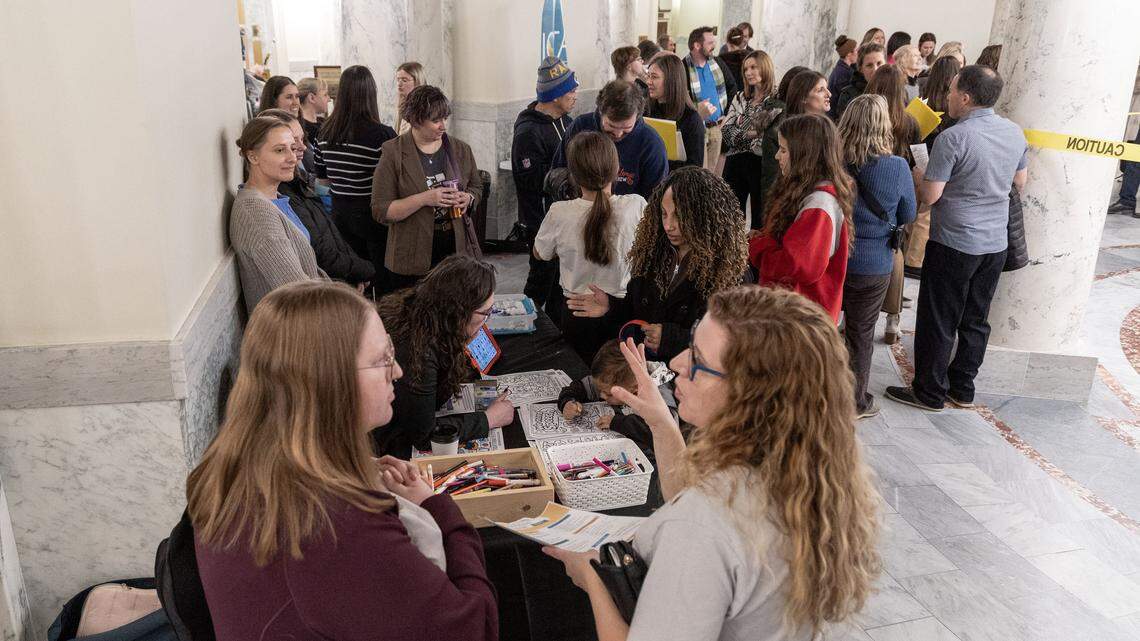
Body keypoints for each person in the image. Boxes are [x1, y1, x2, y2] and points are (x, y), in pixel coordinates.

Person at [545, 286, 881, 641]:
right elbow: (687, 492)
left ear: (747, 394)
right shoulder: (796, 472)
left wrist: (593, 580)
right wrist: (661, 422)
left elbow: (697, 517)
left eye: (699, 360)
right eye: (690, 345)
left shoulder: (703, 524)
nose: (676, 364)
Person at [189, 281, 498, 641]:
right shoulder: (338, 526)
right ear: (329, 381)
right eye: (381, 359)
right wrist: (437, 509)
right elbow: (473, 627)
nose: (397, 371)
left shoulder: (235, 468)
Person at [886, 65, 1029, 412]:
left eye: (951, 91)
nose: (947, 96)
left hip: (955, 241)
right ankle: (963, 388)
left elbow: (931, 195)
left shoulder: (954, 137)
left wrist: (919, 169)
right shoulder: (1014, 133)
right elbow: (1020, 182)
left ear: (965, 98)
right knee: (976, 317)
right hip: (995, 243)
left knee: (939, 317)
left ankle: (929, 391)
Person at [566, 167, 747, 362]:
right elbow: (635, 309)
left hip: (691, 380)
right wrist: (611, 306)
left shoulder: (730, 270)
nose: (669, 225)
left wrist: (672, 339)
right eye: (664, 214)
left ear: (705, 216)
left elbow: (731, 341)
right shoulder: (653, 253)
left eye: (679, 216)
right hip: (648, 369)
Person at [374, 256, 515, 459]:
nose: (486, 321)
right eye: (485, 312)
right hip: (388, 442)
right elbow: (424, 435)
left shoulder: (421, 313)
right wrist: (488, 419)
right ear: (459, 312)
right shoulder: (418, 349)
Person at [534, 132, 646, 362]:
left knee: (578, 375)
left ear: (573, 175)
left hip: (576, 311)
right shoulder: (635, 206)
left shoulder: (560, 212)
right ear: (616, 170)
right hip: (620, 310)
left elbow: (540, 253)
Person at [838, 95, 917, 418]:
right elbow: (908, 212)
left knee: (823, 328)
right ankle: (855, 401)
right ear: (883, 126)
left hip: (834, 258)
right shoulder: (897, 166)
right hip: (874, 264)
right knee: (860, 334)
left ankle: (816, 393)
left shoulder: (832, 162)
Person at [373, 85, 482, 290]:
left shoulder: (460, 149)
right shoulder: (393, 153)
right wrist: (425, 199)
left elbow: (476, 186)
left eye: (445, 118)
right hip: (411, 251)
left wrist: (468, 198)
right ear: (415, 120)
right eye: (436, 120)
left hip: (454, 246)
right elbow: (381, 210)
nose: (443, 126)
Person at [750, 114, 854, 322]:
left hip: (801, 320)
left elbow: (798, 266)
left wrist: (757, 246)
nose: (777, 156)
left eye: (784, 150)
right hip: (792, 313)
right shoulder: (803, 191)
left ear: (805, 155)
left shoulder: (819, 204)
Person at [262, 109, 376, 288]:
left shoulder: (297, 181)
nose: (303, 147)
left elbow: (330, 234)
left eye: (301, 138)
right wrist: (365, 270)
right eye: (291, 143)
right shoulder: (282, 194)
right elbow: (321, 252)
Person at [314, 65, 398, 295]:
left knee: (354, 280)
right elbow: (394, 179)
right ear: (371, 95)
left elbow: (323, 179)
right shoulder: (382, 135)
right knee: (382, 278)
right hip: (373, 215)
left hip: (340, 213)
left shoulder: (325, 132)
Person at [231, 116, 325, 314]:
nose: (292, 158)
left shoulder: (275, 199)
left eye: (292, 148)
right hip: (290, 334)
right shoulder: (256, 211)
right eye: (280, 150)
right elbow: (296, 290)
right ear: (252, 157)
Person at [514, 56, 580, 311]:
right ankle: (527, 324)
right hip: (541, 220)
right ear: (555, 95)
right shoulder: (529, 132)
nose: (575, 93)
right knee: (540, 280)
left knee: (558, 283)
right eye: (571, 89)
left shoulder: (566, 120)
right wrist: (572, 175)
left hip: (565, 218)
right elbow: (530, 181)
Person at [865, 64, 921, 344]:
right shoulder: (909, 122)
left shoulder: (864, 115)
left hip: (868, 182)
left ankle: (859, 317)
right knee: (896, 249)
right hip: (899, 186)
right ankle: (893, 321)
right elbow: (917, 161)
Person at [557, 338, 678, 459]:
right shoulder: (611, 379)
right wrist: (567, 401)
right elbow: (578, 387)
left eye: (609, 394)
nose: (602, 396)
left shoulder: (660, 395)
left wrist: (617, 422)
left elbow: (662, 432)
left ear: (634, 390)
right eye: (601, 391)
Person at [554, 80, 668, 200]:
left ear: (637, 116)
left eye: (626, 128)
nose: (618, 134)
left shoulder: (651, 144)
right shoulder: (580, 126)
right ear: (600, 112)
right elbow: (558, 169)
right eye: (611, 126)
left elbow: (656, 197)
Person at [907, 56, 962, 278]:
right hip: (937, 165)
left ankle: (907, 254)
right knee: (926, 215)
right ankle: (914, 262)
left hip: (916, 159)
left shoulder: (922, 98)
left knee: (914, 212)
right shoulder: (953, 109)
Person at [723, 50, 783, 229]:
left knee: (760, 219)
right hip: (735, 161)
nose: (749, 72)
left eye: (754, 67)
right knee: (730, 216)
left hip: (761, 163)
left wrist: (741, 133)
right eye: (746, 69)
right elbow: (726, 131)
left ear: (765, 67)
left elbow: (764, 134)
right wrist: (750, 134)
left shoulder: (776, 100)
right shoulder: (741, 97)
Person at [683, 26, 738, 173]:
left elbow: (732, 87)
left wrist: (726, 114)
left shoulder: (717, 63)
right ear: (697, 45)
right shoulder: (683, 67)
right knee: (698, 173)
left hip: (715, 128)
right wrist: (696, 109)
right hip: (695, 129)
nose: (714, 46)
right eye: (710, 43)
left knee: (711, 175)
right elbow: (680, 100)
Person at [645, 54, 705, 171]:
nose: (648, 82)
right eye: (648, 76)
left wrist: (658, 163)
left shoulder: (691, 118)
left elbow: (695, 166)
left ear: (671, 80)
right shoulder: (646, 111)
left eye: (654, 77)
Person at [833, 43, 886, 120]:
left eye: (879, 63)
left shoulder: (895, 90)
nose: (875, 69)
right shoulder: (848, 95)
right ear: (861, 69)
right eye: (869, 65)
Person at [296, 77, 330, 145]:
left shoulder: (324, 122)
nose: (329, 99)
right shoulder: (300, 127)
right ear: (311, 98)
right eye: (325, 95)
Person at [395, 61, 426, 134]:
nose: (399, 84)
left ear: (417, 82)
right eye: (398, 80)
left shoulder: (427, 108)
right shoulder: (403, 105)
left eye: (404, 80)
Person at [717, 27, 750, 94]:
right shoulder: (749, 57)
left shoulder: (721, 59)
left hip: (727, 96)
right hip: (745, 96)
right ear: (741, 41)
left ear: (727, 41)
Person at [829, 36, 859, 110]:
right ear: (849, 53)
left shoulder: (844, 68)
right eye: (856, 50)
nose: (858, 53)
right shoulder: (843, 73)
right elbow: (844, 100)